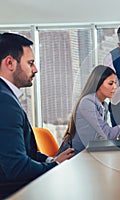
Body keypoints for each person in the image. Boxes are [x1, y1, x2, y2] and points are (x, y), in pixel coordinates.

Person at [0, 32, 74, 198]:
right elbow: (17, 168)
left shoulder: (6, 97)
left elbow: (26, 152)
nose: (35, 69)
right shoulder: (4, 102)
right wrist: (55, 165)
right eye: (30, 63)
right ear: (10, 63)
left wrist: (51, 160)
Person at [58, 65, 120, 154]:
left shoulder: (103, 105)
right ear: (98, 83)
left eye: (116, 83)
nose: (115, 87)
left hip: (90, 152)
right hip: (75, 155)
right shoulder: (87, 102)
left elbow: (102, 137)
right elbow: (107, 134)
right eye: (110, 83)